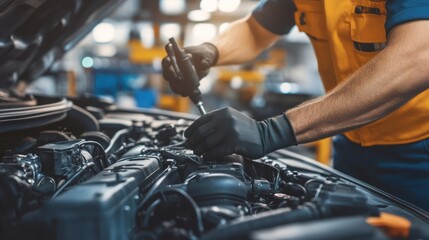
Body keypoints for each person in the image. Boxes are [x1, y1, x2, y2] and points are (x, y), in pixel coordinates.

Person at [162, 0, 429, 211]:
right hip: (350, 143)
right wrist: (212, 51)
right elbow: (256, 30)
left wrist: (271, 131)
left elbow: (417, 57)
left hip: (419, 152)